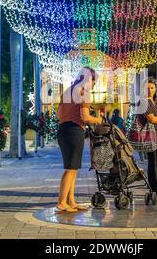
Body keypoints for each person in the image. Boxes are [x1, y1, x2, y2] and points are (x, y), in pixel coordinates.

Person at [56, 67, 103, 212]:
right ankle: (62, 202)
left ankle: (71, 201)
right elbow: (85, 117)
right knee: (71, 168)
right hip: (74, 131)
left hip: (63, 129)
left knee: (73, 167)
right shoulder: (83, 92)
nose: (94, 84)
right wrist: (99, 119)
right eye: (94, 81)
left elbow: (58, 114)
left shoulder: (68, 91)